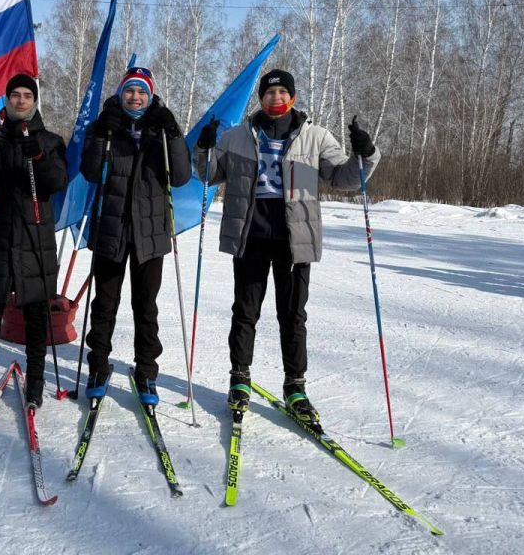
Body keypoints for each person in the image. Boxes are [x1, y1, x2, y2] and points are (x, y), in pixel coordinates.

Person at [193, 68, 380, 426]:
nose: (275, 98)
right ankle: (240, 379)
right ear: (260, 99)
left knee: (292, 316)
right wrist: (204, 147)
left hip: (294, 240)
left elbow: (344, 180)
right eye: (269, 93)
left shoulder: (315, 137)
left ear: (291, 96)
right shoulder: (236, 137)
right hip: (250, 235)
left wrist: (365, 154)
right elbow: (207, 174)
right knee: (245, 312)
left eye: (281, 92)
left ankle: (296, 386)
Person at [79, 66, 191, 406]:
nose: (135, 97)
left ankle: (146, 372)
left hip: (151, 233)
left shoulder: (160, 127)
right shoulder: (108, 126)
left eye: (141, 91)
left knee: (146, 307)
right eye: (130, 90)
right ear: (122, 92)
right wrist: (100, 133)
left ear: (150, 94)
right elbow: (89, 171)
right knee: (104, 305)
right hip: (112, 229)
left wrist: (172, 133)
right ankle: (98, 366)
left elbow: (182, 176)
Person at [0, 73, 68, 409]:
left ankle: (36, 381)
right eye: (15, 95)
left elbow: (56, 183)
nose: (21, 100)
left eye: (27, 95)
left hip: (34, 236)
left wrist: (39, 158)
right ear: (6, 99)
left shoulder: (50, 141)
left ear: (35, 101)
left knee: (37, 312)